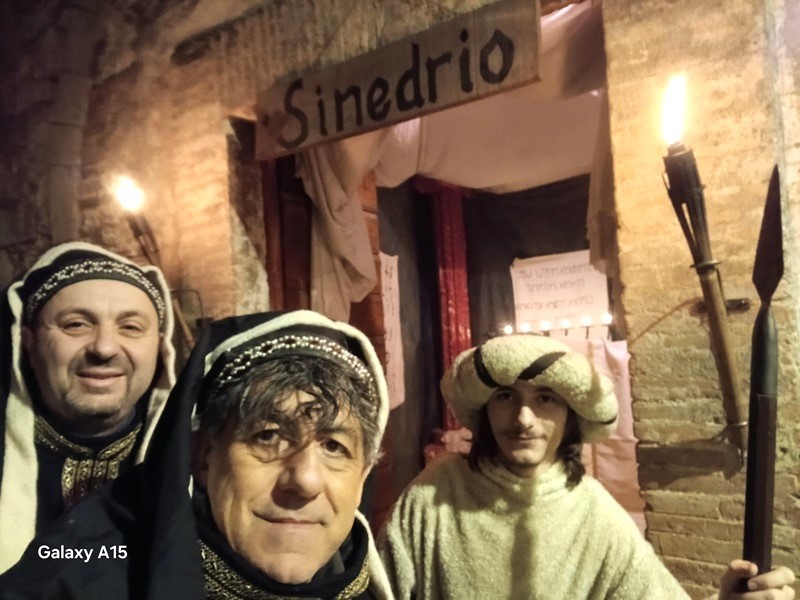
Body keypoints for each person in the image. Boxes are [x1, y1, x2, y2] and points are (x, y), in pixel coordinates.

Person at [0, 310, 394, 599]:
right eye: (269, 436)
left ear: (362, 478)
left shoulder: (358, 583)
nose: (305, 480)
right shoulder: (74, 581)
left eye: (334, 447)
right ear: (202, 457)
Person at [378, 334, 796, 599]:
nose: (523, 419)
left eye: (545, 399)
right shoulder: (436, 492)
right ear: (486, 409)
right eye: (506, 396)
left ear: (570, 416)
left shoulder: (594, 513)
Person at [0, 242, 175, 573]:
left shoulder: (197, 461)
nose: (104, 348)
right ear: (28, 345)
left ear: (159, 348)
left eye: (131, 327)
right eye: (76, 324)